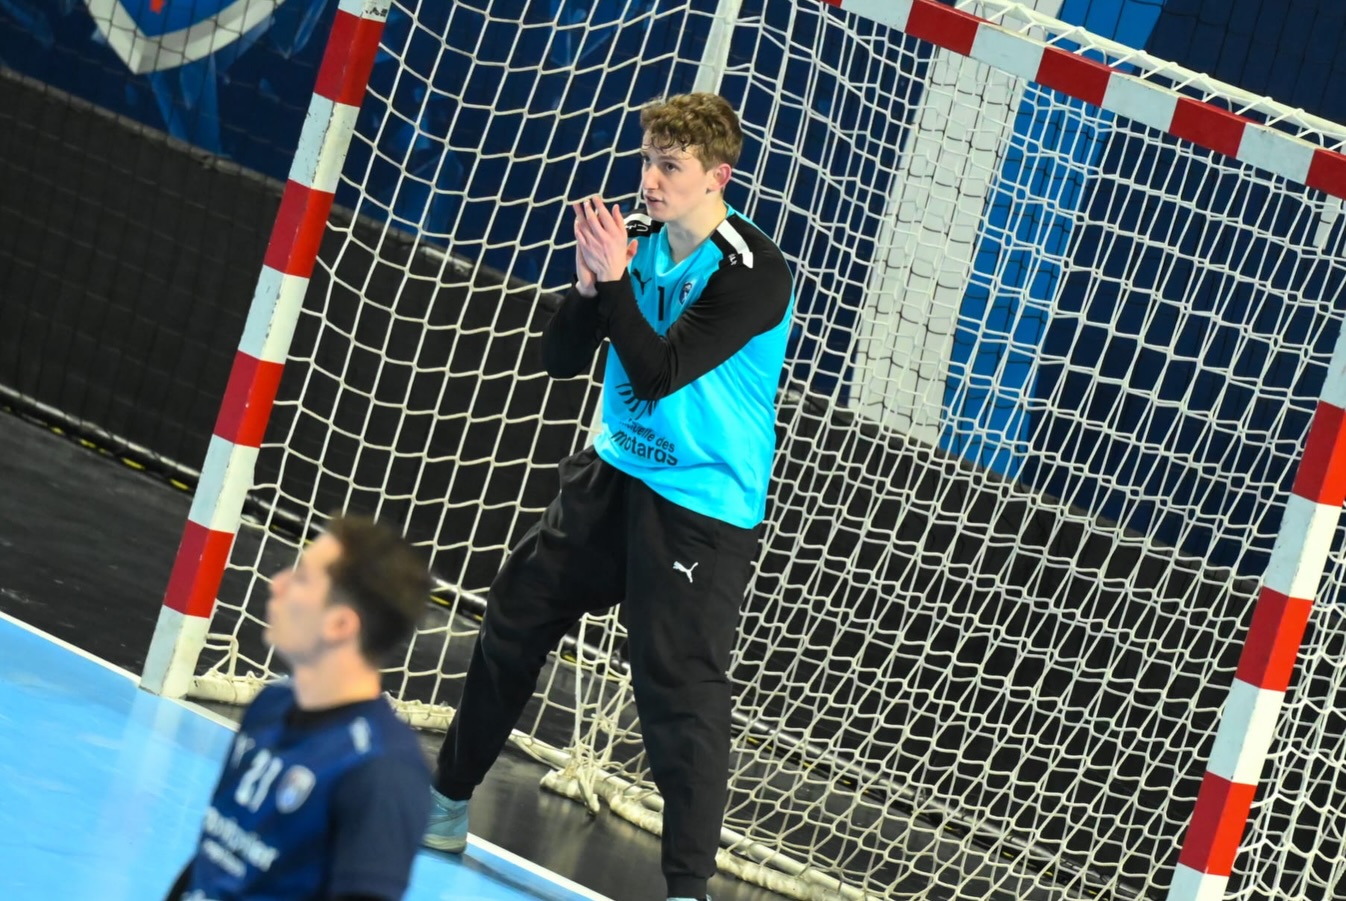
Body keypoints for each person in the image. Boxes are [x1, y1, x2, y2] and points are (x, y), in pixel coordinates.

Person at [423, 93, 794, 901]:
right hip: (612, 474)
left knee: (677, 693)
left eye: (671, 167)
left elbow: (659, 374)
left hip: (697, 505)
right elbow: (561, 359)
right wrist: (589, 288)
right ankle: (445, 801)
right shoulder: (637, 241)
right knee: (514, 613)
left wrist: (616, 282)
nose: (651, 180)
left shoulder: (753, 272)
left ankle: (687, 890)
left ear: (717, 177)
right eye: (647, 161)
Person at [164, 515, 433, 901]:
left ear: (339, 624)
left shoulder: (382, 770)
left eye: (302, 579)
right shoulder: (270, 704)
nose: (278, 583)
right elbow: (213, 857)